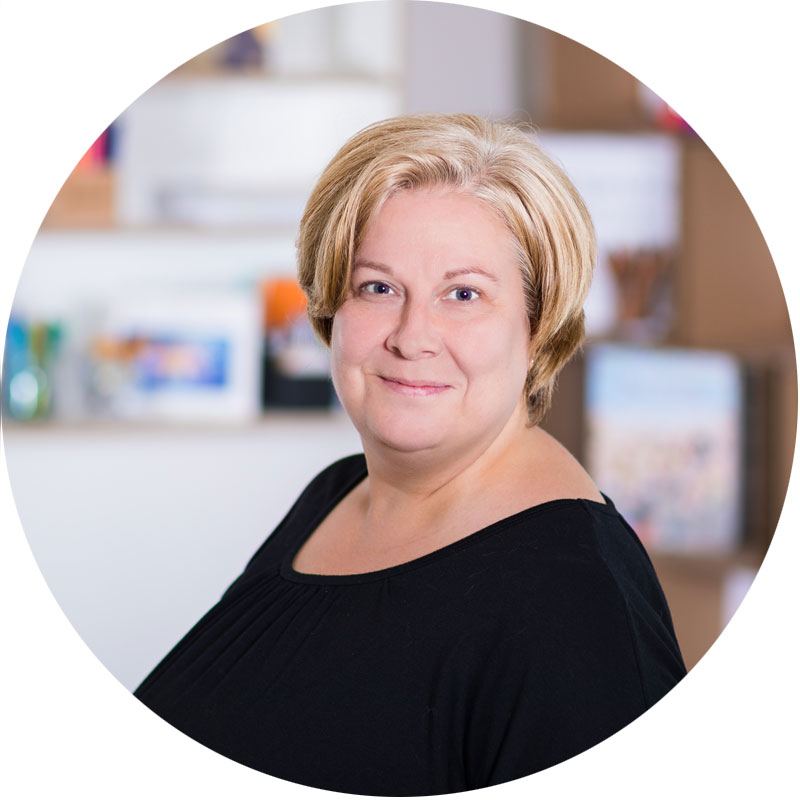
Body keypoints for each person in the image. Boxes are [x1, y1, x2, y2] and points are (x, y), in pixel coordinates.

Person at [134, 113, 686, 795]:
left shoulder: (575, 602)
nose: (411, 335)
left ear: (538, 325)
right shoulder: (339, 494)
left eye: (464, 294)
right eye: (378, 287)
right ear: (330, 306)